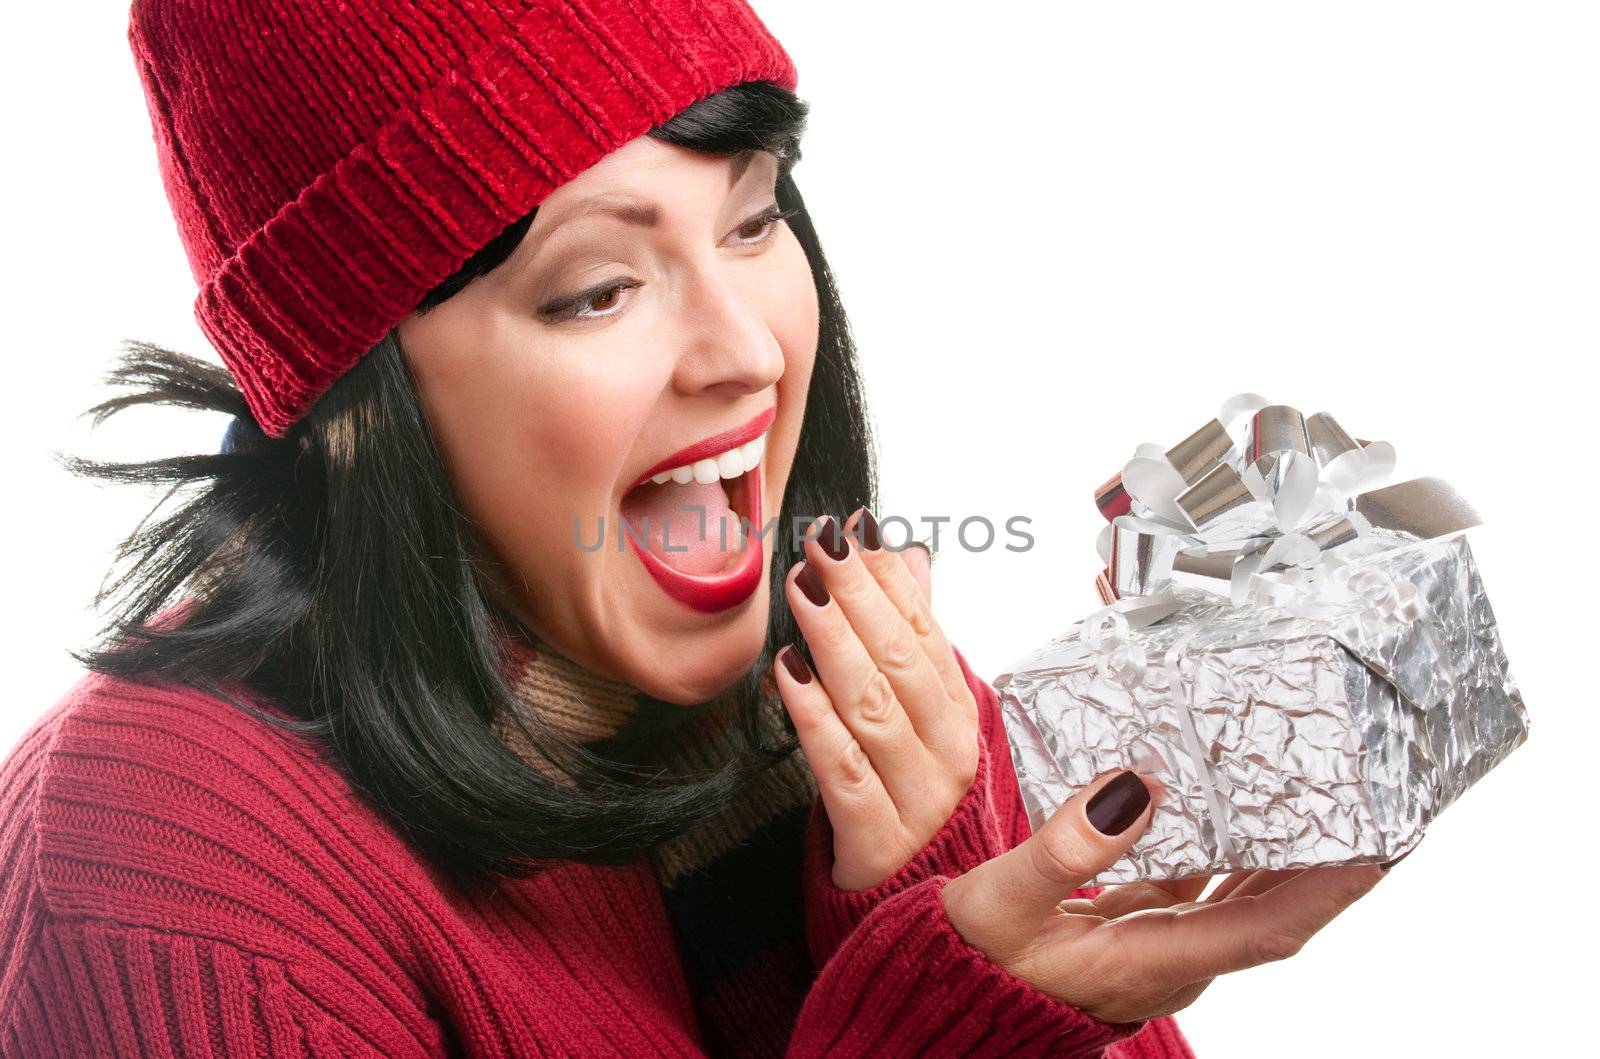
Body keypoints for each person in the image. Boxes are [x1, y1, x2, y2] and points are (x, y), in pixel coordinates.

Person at [0, 2, 1388, 1055]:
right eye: (597, 289)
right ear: (353, 402)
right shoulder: (164, 883)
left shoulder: (838, 697)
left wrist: (947, 899)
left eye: (751, 219)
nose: (748, 354)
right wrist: (942, 1018)